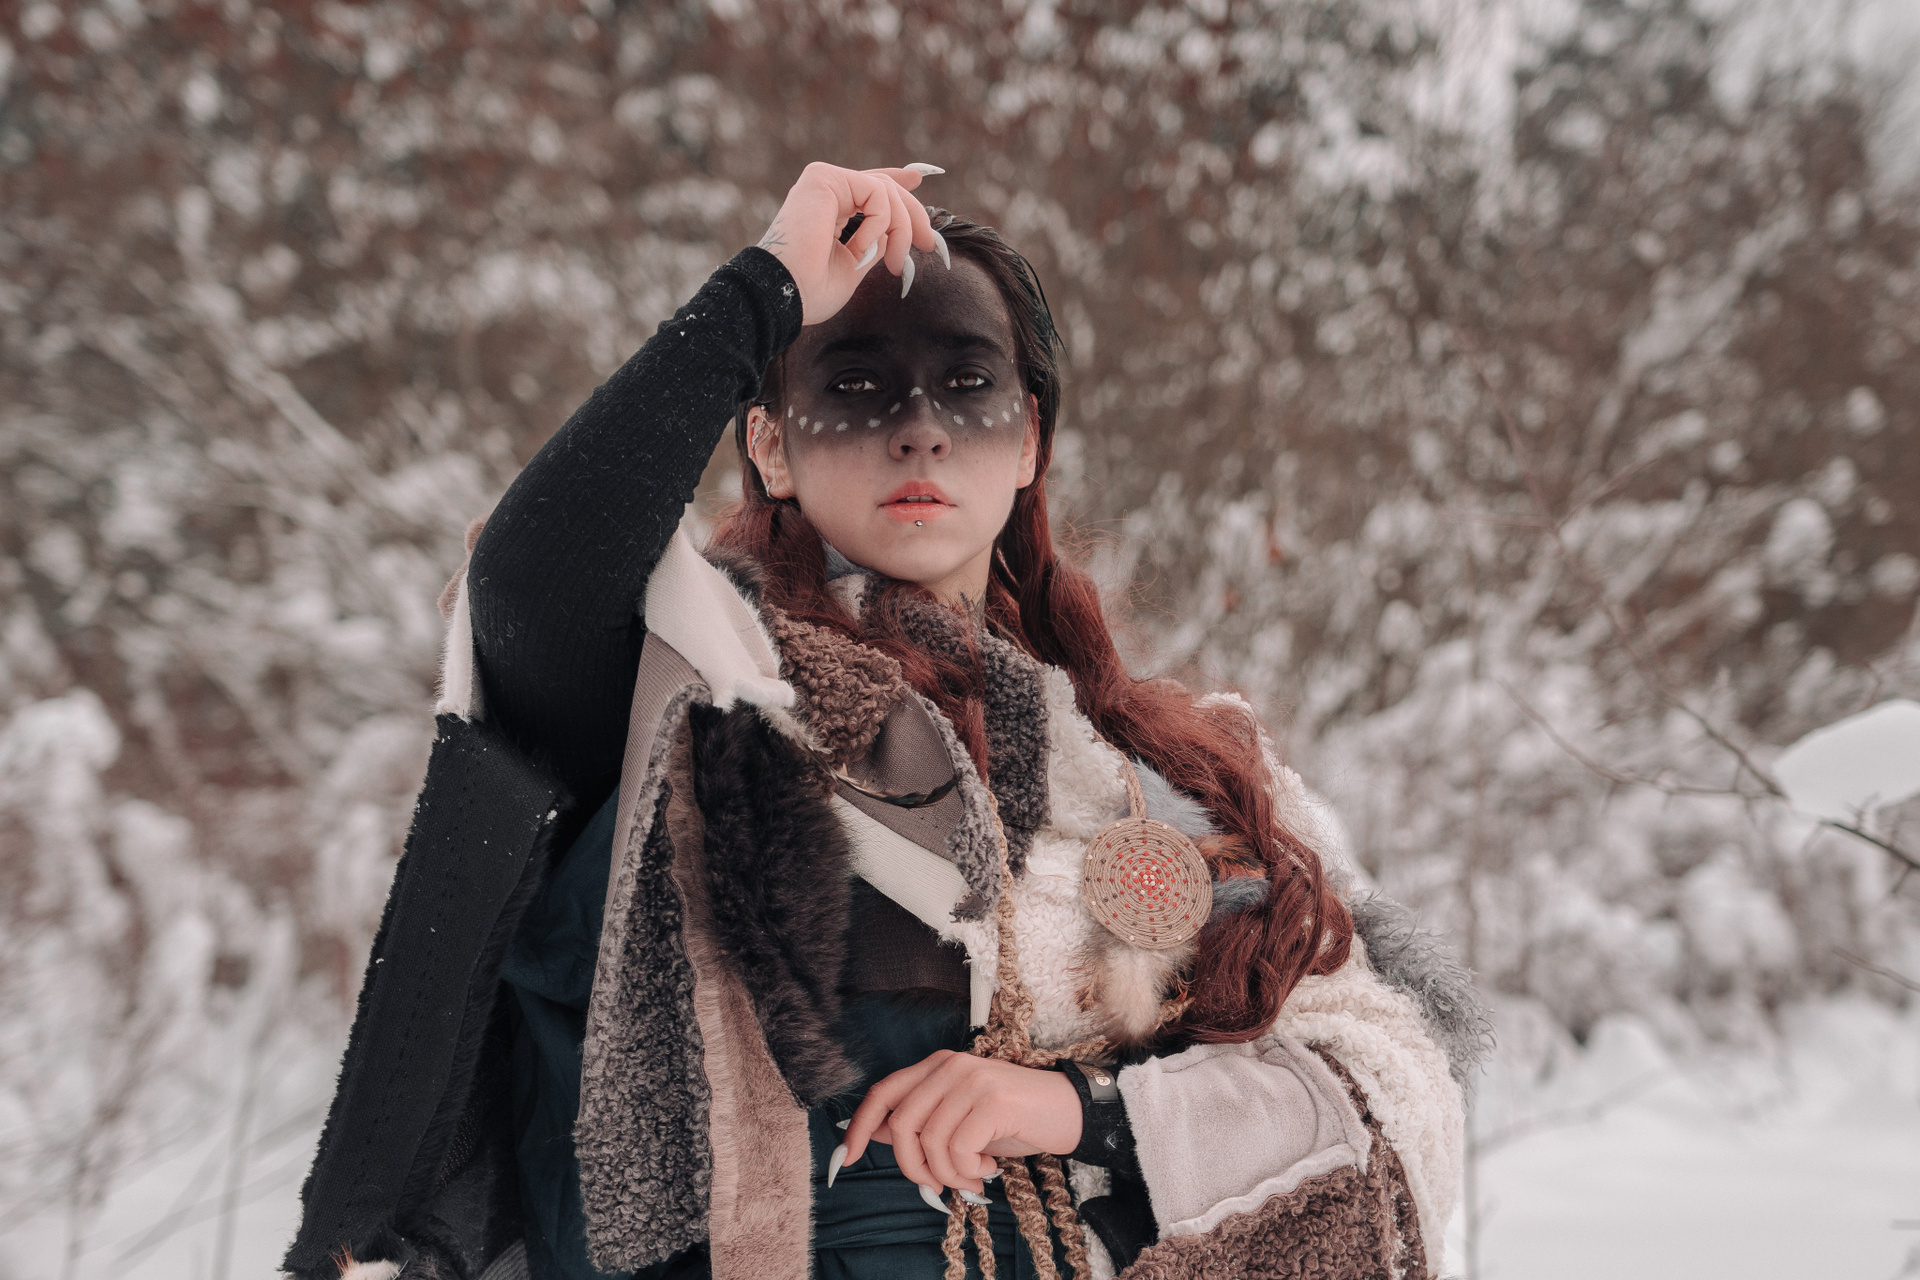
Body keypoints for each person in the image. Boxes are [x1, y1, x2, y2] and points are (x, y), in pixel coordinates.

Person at [285, 161, 1485, 1280]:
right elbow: (528, 580)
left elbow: (1386, 1076)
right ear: (771, 444)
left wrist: (1082, 1111)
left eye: (968, 384)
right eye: (854, 387)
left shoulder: (1171, 770)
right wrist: (763, 289)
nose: (919, 428)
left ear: (1029, 440)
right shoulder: (701, 705)